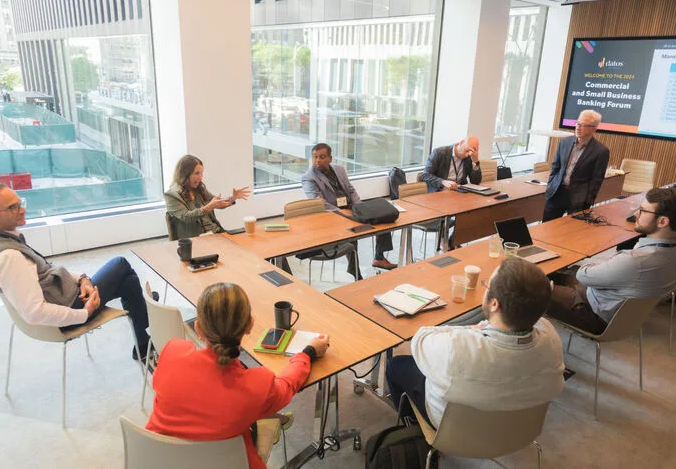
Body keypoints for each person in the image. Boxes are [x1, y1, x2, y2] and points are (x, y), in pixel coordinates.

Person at [146, 282, 329, 469]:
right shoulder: (257, 386)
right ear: (250, 325)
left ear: (198, 328)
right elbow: (287, 385)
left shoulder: (171, 354)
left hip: (157, 461)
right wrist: (308, 353)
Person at [0, 182, 150, 360]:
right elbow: (34, 312)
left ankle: (143, 339)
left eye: (20, 203)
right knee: (121, 264)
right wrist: (85, 313)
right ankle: (146, 323)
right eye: (12, 207)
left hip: (64, 296)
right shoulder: (9, 257)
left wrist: (83, 279)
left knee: (129, 282)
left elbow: (45, 270)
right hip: (70, 310)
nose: (22, 210)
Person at [386, 257, 564, 428]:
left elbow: (420, 338)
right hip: (517, 431)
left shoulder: (456, 347)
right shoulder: (552, 341)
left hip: (452, 430)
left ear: (494, 304)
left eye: (488, 285)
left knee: (396, 365)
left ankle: (414, 426)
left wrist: (472, 328)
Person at [547, 187, 676, 334]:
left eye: (643, 211)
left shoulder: (634, 260)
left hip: (593, 315)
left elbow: (583, 275)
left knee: (533, 289)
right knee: (553, 274)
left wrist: (605, 264)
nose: (636, 214)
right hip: (621, 314)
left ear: (662, 221)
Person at [301, 143, 397, 274]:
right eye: (315, 157)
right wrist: (343, 213)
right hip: (334, 214)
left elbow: (351, 190)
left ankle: (379, 258)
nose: (317, 160)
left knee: (383, 217)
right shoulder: (308, 177)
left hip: (352, 207)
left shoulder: (339, 169)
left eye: (322, 157)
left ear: (330, 158)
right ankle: (355, 270)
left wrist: (359, 206)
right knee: (352, 231)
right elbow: (320, 203)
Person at [543, 110, 610, 222]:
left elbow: (597, 179)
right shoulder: (564, 142)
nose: (578, 128)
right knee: (546, 226)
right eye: (578, 123)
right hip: (557, 192)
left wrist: (588, 200)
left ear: (594, 129)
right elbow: (555, 167)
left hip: (579, 197)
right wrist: (551, 184)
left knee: (572, 230)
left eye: (583, 125)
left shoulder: (601, 151)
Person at [164, 155, 250, 240]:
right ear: (184, 174)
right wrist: (207, 208)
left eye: (201, 173)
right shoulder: (172, 195)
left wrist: (232, 198)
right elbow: (186, 217)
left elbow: (216, 203)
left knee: (245, 241)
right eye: (197, 173)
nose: (200, 177)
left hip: (215, 232)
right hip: (196, 240)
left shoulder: (199, 188)